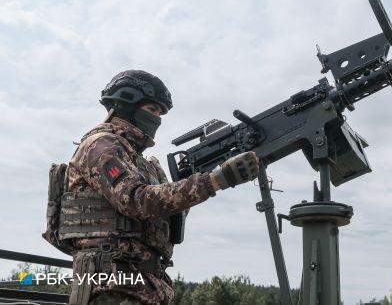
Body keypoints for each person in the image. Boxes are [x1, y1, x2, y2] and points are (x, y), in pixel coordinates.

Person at [54, 70, 259, 305]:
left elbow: (168, 210)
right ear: (126, 104)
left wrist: (197, 178)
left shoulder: (146, 164)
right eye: (152, 110)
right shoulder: (100, 145)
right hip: (113, 286)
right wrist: (214, 180)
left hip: (150, 286)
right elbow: (136, 200)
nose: (157, 119)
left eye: (160, 113)